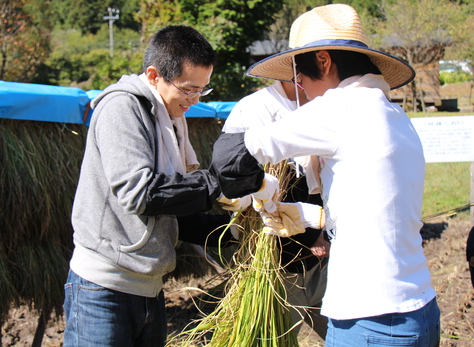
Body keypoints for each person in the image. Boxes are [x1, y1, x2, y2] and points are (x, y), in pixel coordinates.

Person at [210, 4, 440, 347]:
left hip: (371, 320)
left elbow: (227, 155)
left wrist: (260, 187)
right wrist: (312, 215)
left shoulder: (340, 108)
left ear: (323, 61)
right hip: (420, 310)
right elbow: (380, 207)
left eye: (298, 76)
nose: (299, 88)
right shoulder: (395, 115)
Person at [64, 25, 227, 347]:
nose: (194, 100)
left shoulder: (172, 115)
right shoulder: (122, 109)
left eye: (202, 91)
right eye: (189, 89)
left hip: (149, 289)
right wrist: (217, 185)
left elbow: (173, 206)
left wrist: (228, 231)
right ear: (154, 76)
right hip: (103, 290)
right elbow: (140, 194)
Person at [223, 79, 329, 339]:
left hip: (323, 260)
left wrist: (326, 232)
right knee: (272, 338)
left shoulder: (324, 107)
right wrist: (310, 235)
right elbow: (244, 196)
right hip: (276, 267)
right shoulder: (255, 111)